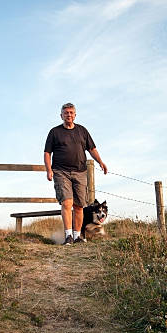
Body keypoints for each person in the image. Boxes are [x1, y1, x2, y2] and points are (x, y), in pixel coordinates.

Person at [44, 103, 108, 245]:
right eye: (66, 113)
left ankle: (77, 236)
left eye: (71, 112)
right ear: (61, 115)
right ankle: (68, 236)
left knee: (79, 206)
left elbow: (92, 149)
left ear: (75, 115)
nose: (69, 115)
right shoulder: (54, 132)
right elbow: (47, 152)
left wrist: (101, 162)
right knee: (67, 202)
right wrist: (49, 169)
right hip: (61, 172)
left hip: (80, 172)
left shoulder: (82, 131)